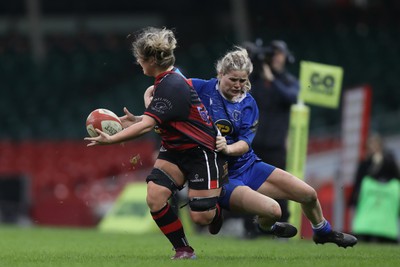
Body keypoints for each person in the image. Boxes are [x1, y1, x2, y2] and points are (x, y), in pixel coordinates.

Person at [144, 46, 358, 248]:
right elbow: (167, 86)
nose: (238, 85)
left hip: (249, 165)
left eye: (242, 81)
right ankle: (267, 226)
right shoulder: (200, 87)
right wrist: (148, 98)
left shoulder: (248, 103)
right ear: (220, 73)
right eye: (233, 79)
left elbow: (245, 144)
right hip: (224, 176)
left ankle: (322, 231)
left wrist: (227, 148)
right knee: (274, 211)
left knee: (309, 194)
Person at [85, 27, 228, 260]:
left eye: (140, 58)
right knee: (155, 195)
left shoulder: (171, 85)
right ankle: (184, 249)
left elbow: (147, 126)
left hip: (200, 151)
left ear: (152, 59)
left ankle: (216, 207)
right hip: (174, 150)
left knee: (202, 217)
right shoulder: (164, 83)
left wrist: (111, 139)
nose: (139, 62)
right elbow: (160, 119)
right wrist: (139, 118)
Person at [242, 40, 299, 237]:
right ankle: (251, 229)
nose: (275, 57)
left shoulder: (288, 81)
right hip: (254, 143)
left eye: (279, 54)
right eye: (272, 54)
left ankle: (282, 228)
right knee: (249, 187)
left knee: (281, 188)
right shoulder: (255, 80)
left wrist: (272, 80)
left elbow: (292, 98)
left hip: (275, 145)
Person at [348, 133, 400, 244]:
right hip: (368, 210)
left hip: (384, 211)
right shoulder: (364, 164)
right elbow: (358, 183)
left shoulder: (389, 162)